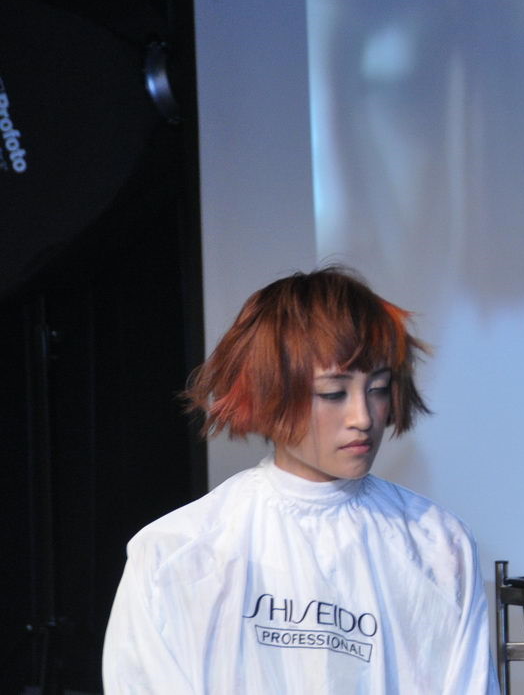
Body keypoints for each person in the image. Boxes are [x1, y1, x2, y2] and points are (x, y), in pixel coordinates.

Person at [102, 267, 498, 693]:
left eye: (379, 388)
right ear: (267, 392)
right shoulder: (177, 551)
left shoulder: (438, 544)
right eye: (333, 393)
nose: (363, 418)